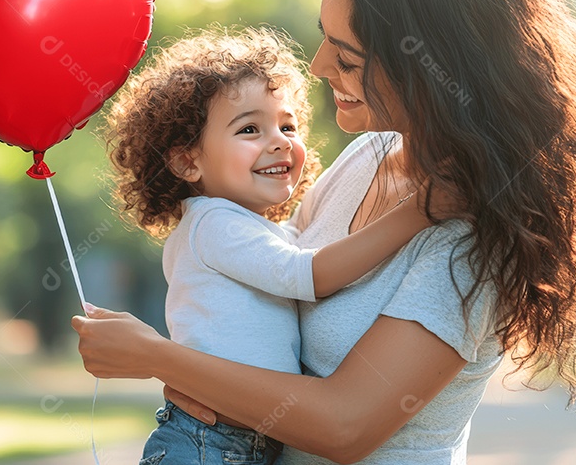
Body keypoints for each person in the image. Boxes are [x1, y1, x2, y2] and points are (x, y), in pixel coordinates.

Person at [73, 0, 576, 465]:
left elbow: (344, 426)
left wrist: (159, 358)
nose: (317, 67)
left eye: (346, 56)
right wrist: (205, 371)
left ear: (426, 68)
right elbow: (266, 275)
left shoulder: (466, 233)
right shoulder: (368, 154)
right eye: (325, 38)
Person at [103, 26, 438, 465]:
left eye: (287, 125)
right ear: (188, 160)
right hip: (207, 443)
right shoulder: (214, 225)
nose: (279, 140)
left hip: (238, 441)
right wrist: (419, 212)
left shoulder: (256, 229)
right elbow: (313, 275)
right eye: (249, 129)